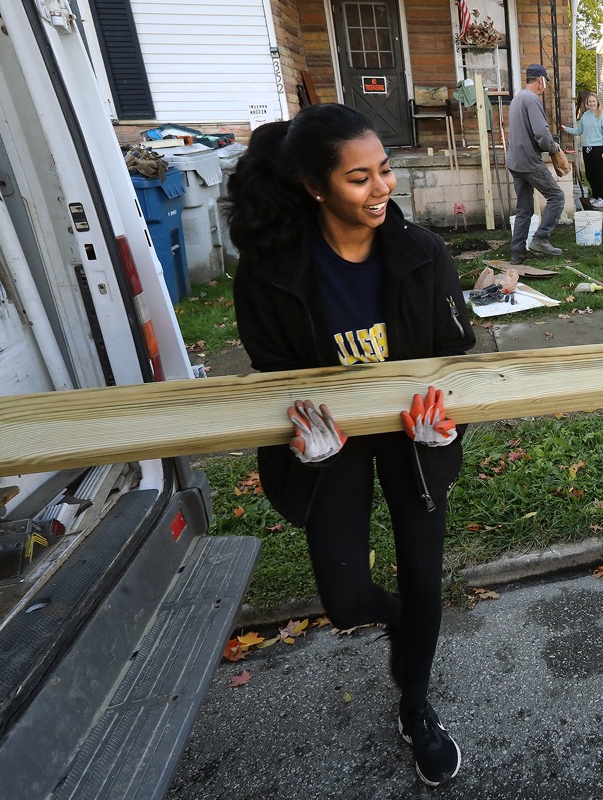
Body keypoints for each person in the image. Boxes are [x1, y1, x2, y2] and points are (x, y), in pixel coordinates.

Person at [227, 104, 476, 786]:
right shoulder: (272, 273)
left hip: (410, 437)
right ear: (315, 186)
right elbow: (275, 379)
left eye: (385, 171)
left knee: (425, 578)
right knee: (344, 597)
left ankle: (416, 707)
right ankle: (397, 620)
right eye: (359, 178)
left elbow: (457, 355)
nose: (381, 189)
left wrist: (448, 423)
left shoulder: (420, 253)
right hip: (333, 444)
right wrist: (301, 445)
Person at [507, 63, 571, 264]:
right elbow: (541, 134)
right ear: (540, 80)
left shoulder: (517, 99)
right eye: (545, 82)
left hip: (514, 160)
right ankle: (540, 238)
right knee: (557, 196)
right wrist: (554, 148)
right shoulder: (532, 100)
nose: (545, 86)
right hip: (528, 161)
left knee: (524, 208)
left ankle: (518, 252)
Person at [562, 91, 603, 207]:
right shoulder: (585, 115)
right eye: (590, 101)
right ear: (587, 103)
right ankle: (595, 196)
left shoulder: (602, 115)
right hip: (587, 148)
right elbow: (579, 131)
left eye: (594, 101)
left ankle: (602, 198)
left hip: (598, 149)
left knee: (599, 174)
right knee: (590, 174)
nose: (592, 103)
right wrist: (566, 129)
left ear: (597, 102)